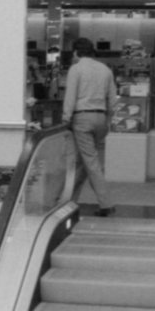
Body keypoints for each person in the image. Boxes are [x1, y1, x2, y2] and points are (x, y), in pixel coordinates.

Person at [62, 37, 117, 216]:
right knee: (84, 161)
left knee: (90, 162)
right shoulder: (105, 69)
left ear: (76, 52)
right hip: (101, 118)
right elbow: (112, 99)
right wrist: (108, 120)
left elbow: (70, 96)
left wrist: (66, 118)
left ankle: (106, 204)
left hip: (82, 118)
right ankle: (67, 200)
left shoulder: (76, 69)